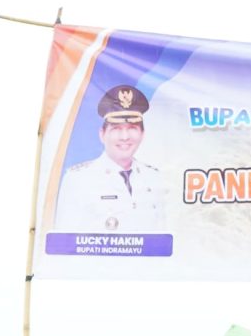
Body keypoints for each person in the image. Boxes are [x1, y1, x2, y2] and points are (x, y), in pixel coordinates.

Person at [52, 84, 173, 233]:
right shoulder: (78, 179)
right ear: (102, 134)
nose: (124, 137)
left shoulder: (154, 178)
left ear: (142, 134)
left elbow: (164, 237)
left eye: (132, 128)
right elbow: (65, 241)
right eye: (116, 129)